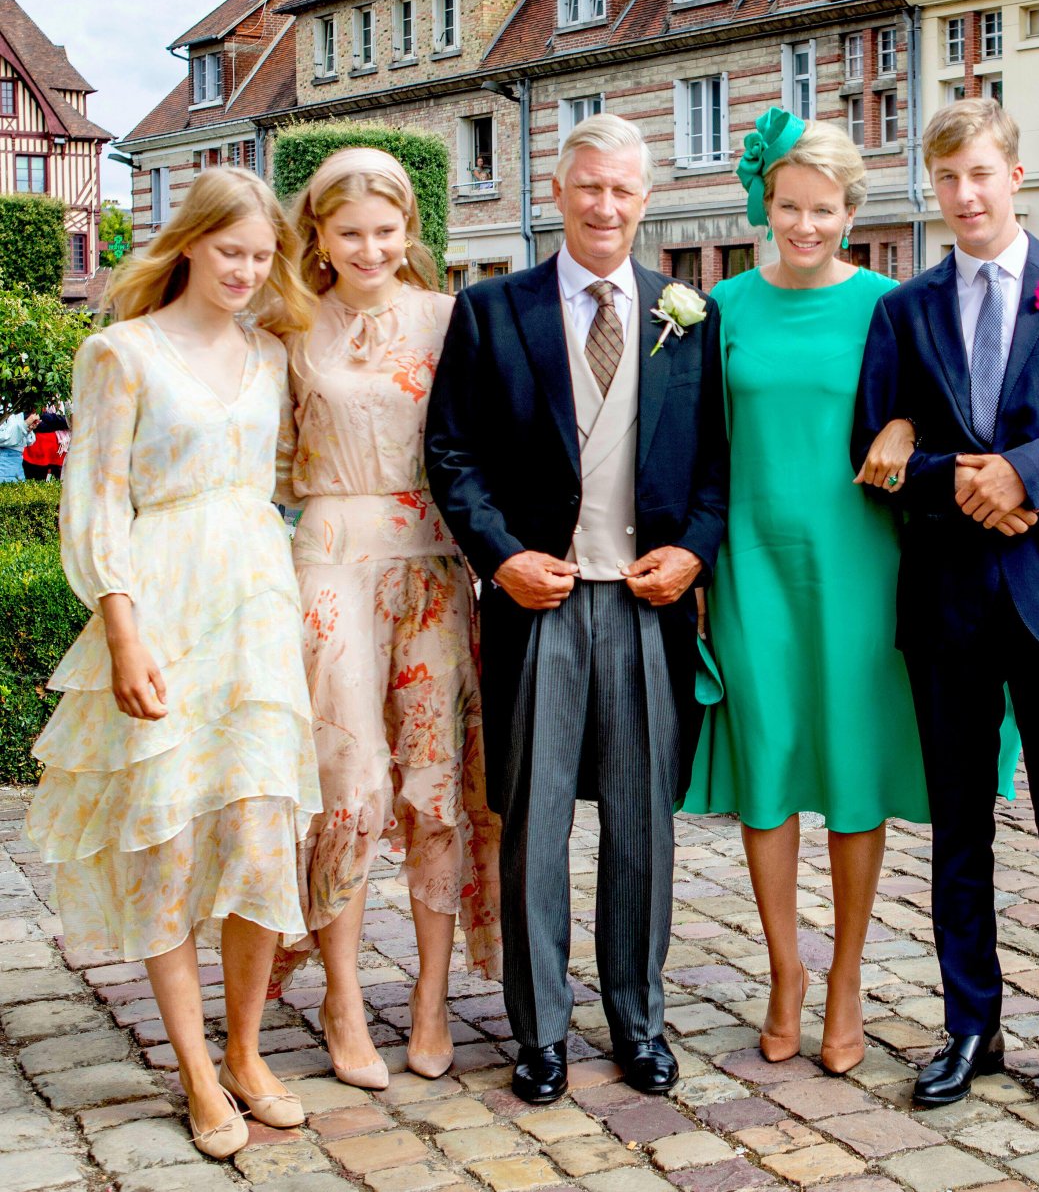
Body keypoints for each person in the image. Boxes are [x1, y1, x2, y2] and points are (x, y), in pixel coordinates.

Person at [683, 107, 1019, 1076]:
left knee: (851, 769)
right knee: (771, 768)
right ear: (766, 205)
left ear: (849, 210)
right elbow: (696, 442)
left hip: (861, 564)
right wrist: (696, 562)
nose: (804, 226)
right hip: (751, 563)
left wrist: (909, 426)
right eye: (789, 207)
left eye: (823, 209)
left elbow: (944, 402)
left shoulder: (892, 304)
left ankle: (846, 977)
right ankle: (786, 970)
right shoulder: (722, 308)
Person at [853, 99, 1039, 1117]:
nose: (965, 196)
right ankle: (969, 1026)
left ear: (1016, 176)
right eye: (947, 180)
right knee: (957, 827)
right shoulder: (905, 309)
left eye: (980, 173)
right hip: (947, 601)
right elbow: (879, 459)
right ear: (932, 188)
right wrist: (960, 479)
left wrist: (1028, 472)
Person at [426, 113, 727, 1104]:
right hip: (538, 605)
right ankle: (541, 1031)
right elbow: (452, 455)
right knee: (535, 825)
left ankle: (638, 1024)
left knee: (644, 825)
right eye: (588, 187)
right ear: (558, 192)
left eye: (624, 191)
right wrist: (503, 558)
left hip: (646, 605)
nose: (606, 206)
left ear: (648, 201)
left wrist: (693, 550)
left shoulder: (688, 315)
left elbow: (718, 467)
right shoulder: (491, 311)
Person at [26, 168, 323, 1159]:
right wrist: (122, 629)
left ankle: (244, 1052)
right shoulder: (121, 352)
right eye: (228, 250)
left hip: (256, 607)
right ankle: (195, 1070)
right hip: (163, 602)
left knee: (256, 838)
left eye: (259, 256)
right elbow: (96, 501)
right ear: (188, 243)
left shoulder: (271, 354)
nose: (245, 272)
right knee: (166, 840)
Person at [270, 146, 501, 1089]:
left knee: (436, 782)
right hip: (330, 558)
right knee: (351, 781)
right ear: (318, 234)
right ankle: (343, 999)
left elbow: (488, 444)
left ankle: (434, 997)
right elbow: (266, 456)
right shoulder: (284, 324)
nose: (371, 246)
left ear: (410, 229)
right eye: (350, 231)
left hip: (434, 564)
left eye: (387, 228)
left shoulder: (451, 319)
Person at [22, 409, 70, 480]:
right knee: (36, 484)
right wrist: (61, 423)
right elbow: (32, 421)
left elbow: (73, 420)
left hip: (61, 451)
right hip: (37, 451)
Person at [0, 407, 37, 481]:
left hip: (18, 462)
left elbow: (28, 441)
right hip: (4, 461)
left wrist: (28, 429)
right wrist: (24, 425)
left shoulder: (16, 405)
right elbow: (2, 438)